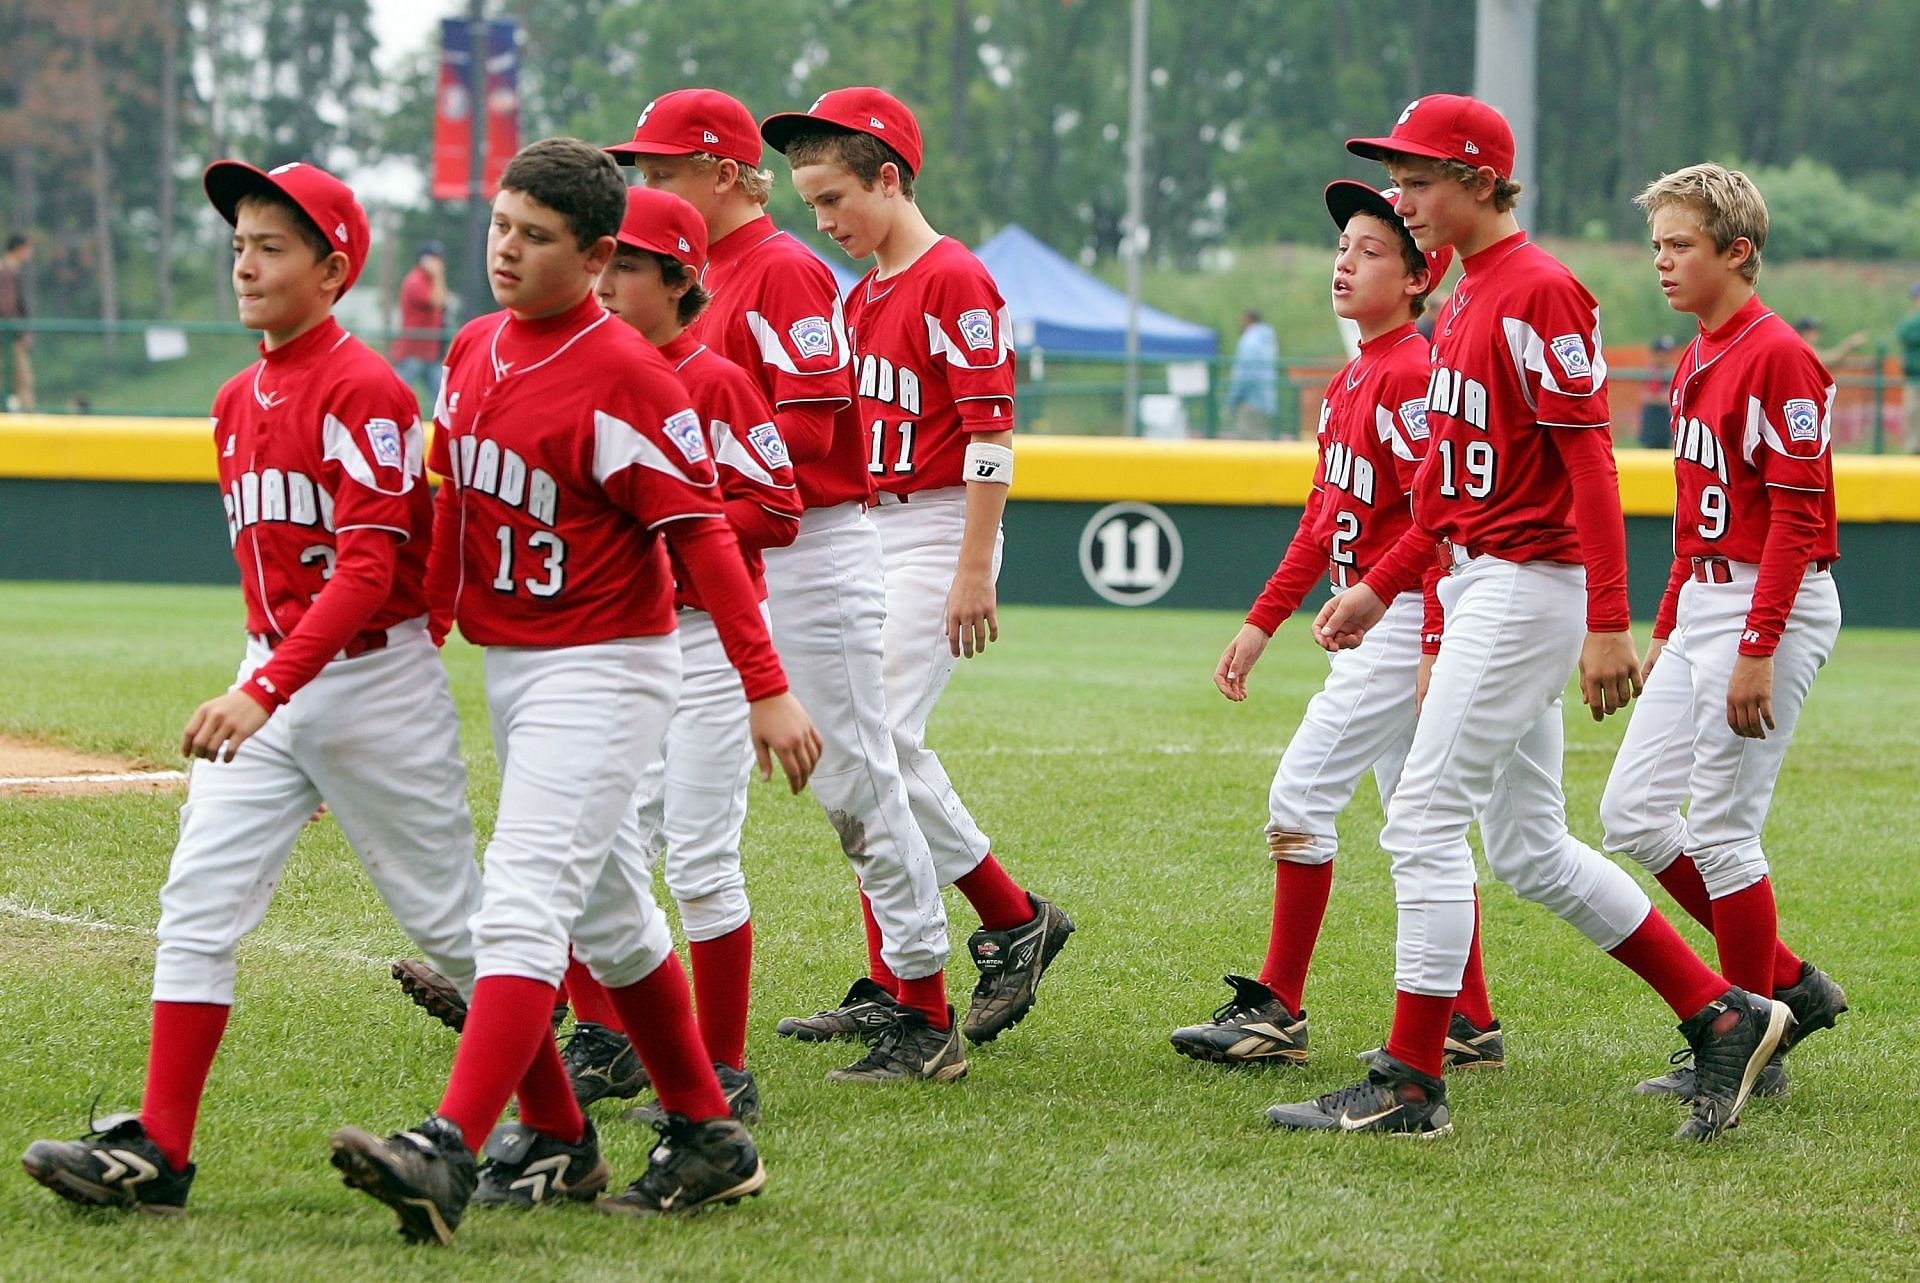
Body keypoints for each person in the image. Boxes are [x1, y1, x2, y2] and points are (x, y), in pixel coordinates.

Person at [1267, 95, 1790, 1142]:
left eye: (1417, 179)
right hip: (1477, 574)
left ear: (1475, 177)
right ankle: (1723, 1012)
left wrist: (1609, 617)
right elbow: (1458, 490)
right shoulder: (1467, 294)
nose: (1404, 198)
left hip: (1524, 583)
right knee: (1529, 846)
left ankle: (1414, 1076)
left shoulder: (1539, 287)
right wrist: (1385, 581)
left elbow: (1587, 459)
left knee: (1420, 817)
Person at [327, 137, 821, 1244]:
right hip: (519, 665)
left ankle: (451, 1142)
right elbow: (453, 503)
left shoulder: (630, 376)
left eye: (536, 235)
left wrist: (767, 685)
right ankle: (705, 1128)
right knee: (611, 915)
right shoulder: (469, 347)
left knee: (525, 893)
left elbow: (702, 535)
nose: (506, 249)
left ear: (598, 255)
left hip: (607, 667)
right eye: (500, 225)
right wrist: (427, 627)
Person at [21, 160, 484, 1214]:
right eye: (239, 244)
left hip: (371, 684)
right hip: (278, 676)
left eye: (272, 247)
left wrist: (267, 690)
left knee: (456, 928)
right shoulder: (237, 398)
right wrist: (268, 687)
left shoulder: (365, 386)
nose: (246, 262)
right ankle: (159, 1151)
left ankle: (554, 1126)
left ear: (333, 269)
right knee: (198, 899)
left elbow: (369, 569)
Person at [605, 89, 966, 1083]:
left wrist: (697, 500)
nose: (646, 187)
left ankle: (924, 1007)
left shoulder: (782, 268)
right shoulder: (686, 274)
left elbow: (809, 430)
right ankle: (593, 1003)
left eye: (663, 170)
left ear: (723, 174)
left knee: (853, 773)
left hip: (810, 545)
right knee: (642, 786)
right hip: (717, 549)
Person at [759, 87, 1077, 1049]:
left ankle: (1010, 915)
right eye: (809, 204)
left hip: (938, 525)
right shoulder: (861, 295)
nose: (821, 221)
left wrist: (974, 562)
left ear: (889, 179)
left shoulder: (955, 278)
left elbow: (990, 431)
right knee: (855, 745)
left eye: (831, 199)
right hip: (870, 526)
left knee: (879, 738)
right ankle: (902, 975)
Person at [1171, 180, 1505, 1071]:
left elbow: (1439, 525)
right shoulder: (1357, 371)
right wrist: (1260, 622)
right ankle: (1468, 1020)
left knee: (1300, 798)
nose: (1345, 262)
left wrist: (1431, 637)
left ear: (1418, 276)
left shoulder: (1410, 372)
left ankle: (1279, 1006)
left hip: (1397, 620)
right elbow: (1324, 517)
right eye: (1342, 246)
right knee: (1416, 818)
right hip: (1376, 615)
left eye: (1370, 249)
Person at [1600, 162, 1847, 1106]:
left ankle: (1750, 1041)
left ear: (1737, 252)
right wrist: (1668, 622)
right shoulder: (1698, 349)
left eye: (1681, 245)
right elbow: (1695, 509)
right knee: (1631, 811)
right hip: (1707, 600)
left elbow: (1794, 517)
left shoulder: (1778, 352)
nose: (1661, 262)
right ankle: (1788, 989)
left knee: (1724, 833)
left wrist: (1755, 644)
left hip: (1765, 603)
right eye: (1657, 243)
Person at [560, 184, 803, 1121]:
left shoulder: (713, 378)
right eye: (601, 261)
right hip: (620, 640)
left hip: (706, 641)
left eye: (626, 263)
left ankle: (723, 1063)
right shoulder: (589, 373)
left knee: (700, 857)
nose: (608, 280)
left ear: (680, 275)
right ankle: (603, 1035)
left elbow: (777, 511)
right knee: (596, 844)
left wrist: (671, 528)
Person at [391, 240, 448, 406]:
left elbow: (443, 301)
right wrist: (438, 276)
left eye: (440, 258)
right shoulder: (415, 280)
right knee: (396, 396)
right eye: (433, 258)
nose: (438, 262)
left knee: (441, 400)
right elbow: (437, 301)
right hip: (412, 351)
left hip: (431, 352)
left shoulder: (432, 281)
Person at [1225, 309, 1278, 438]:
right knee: (1261, 437)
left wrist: (1233, 398)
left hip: (1249, 399)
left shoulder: (1249, 340)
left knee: (1247, 441)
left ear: (1247, 320)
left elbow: (1244, 372)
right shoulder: (1268, 339)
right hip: (1266, 397)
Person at [0, 234, 34, 411]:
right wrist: (20, 331)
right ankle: (29, 421)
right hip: (9, 335)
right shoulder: (8, 270)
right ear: (19, 249)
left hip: (9, 333)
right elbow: (8, 305)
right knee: (23, 381)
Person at [1639, 335, 1677, 449]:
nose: (1666, 357)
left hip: (1665, 424)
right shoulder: (1653, 372)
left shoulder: (1669, 372)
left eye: (1667, 353)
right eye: (1663, 353)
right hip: (1653, 424)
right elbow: (1648, 396)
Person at [1897, 284, 1920, 453]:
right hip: (1913, 377)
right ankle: (1914, 449)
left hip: (1914, 376)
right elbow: (1902, 334)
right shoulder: (1911, 321)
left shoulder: (1912, 321)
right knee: (1912, 414)